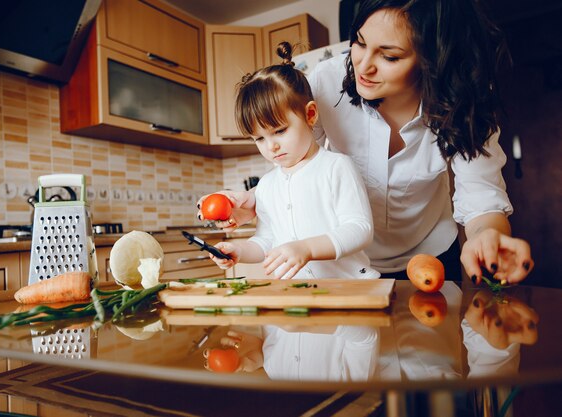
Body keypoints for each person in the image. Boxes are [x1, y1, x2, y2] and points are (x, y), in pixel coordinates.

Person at [199, 0, 533, 285]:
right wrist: (257, 201)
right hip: (347, 263)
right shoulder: (327, 83)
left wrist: (488, 236)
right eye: (359, 43)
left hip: (428, 256)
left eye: (389, 56)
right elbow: (298, 165)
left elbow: (482, 199)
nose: (364, 66)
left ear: (432, 60)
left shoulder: (464, 102)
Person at [207, 42, 379, 280]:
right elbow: (267, 241)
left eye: (279, 131)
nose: (271, 146)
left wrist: (306, 249)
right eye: (259, 138)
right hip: (299, 297)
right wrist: (239, 251)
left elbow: (360, 230)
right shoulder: (266, 186)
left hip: (350, 289)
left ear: (310, 114)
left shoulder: (336, 167)